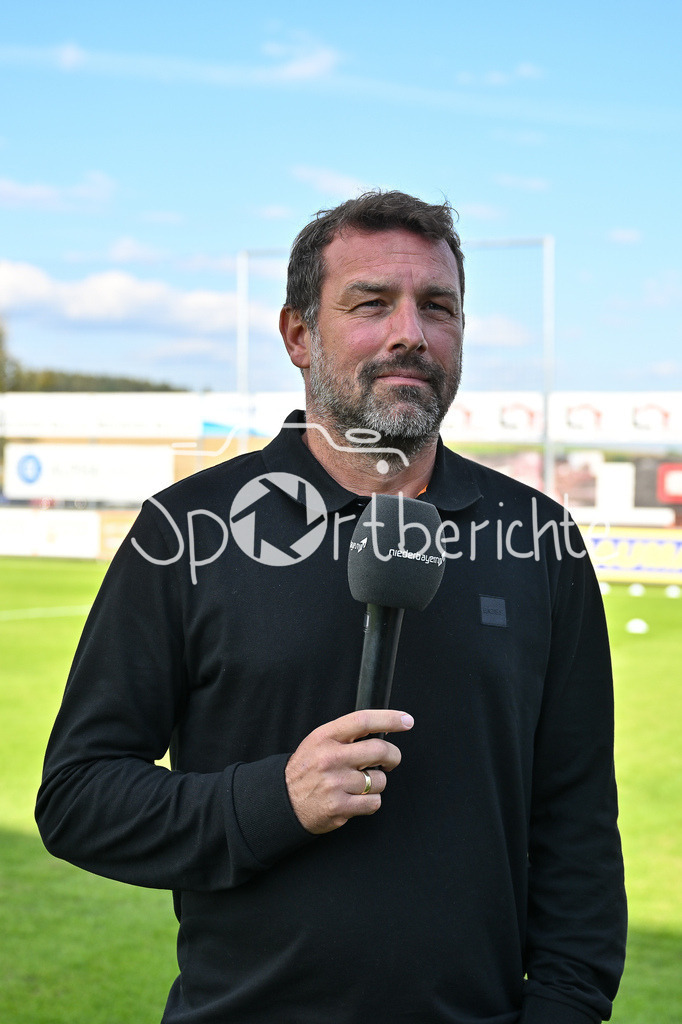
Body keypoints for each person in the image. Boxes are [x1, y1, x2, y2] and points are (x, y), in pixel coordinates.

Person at [36, 191, 626, 1023]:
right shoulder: (187, 531)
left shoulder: (541, 540)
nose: (410, 332)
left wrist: (564, 1010)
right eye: (371, 303)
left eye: (438, 307)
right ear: (298, 335)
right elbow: (78, 798)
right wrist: (275, 799)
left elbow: (577, 827)